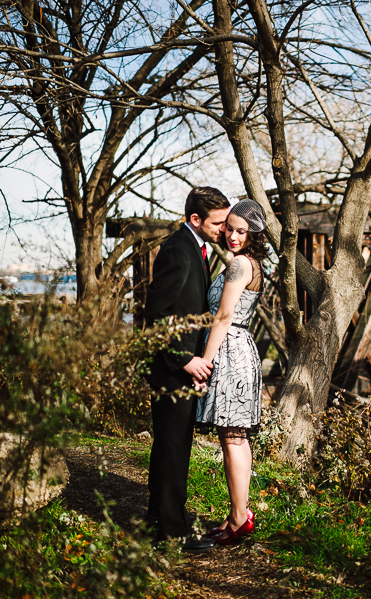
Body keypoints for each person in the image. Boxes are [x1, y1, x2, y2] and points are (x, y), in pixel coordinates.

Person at [143, 186, 230, 553]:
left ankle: (156, 521)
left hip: (180, 367)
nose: (224, 229)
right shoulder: (178, 250)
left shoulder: (196, 246)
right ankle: (174, 534)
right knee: (174, 450)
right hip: (173, 369)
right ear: (196, 219)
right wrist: (185, 360)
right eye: (218, 223)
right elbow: (156, 317)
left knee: (170, 447)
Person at [195, 199, 268, 546]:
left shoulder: (239, 264)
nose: (234, 235)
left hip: (230, 351)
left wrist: (205, 363)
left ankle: (240, 519)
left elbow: (223, 317)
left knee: (233, 438)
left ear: (253, 233)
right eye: (230, 228)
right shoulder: (249, 263)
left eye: (242, 231)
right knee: (235, 437)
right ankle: (239, 512)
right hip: (241, 348)